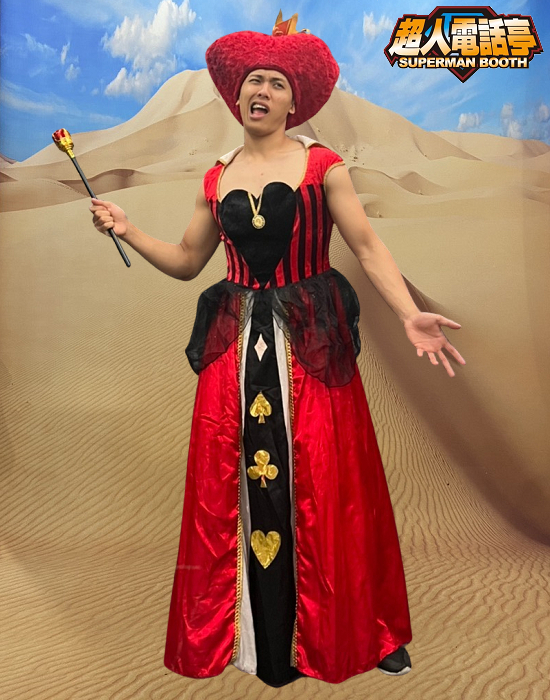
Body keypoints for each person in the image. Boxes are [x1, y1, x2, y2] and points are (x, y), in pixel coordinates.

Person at [90, 11, 466, 688]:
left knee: (331, 485)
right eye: (252, 82)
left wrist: (410, 314)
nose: (260, 91)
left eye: (275, 82)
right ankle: (244, 638)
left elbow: (367, 247)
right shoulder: (214, 178)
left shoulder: (324, 167)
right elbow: (187, 261)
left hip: (310, 343)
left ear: (295, 102)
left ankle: (362, 630)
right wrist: (127, 228)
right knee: (229, 486)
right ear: (237, 96)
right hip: (234, 346)